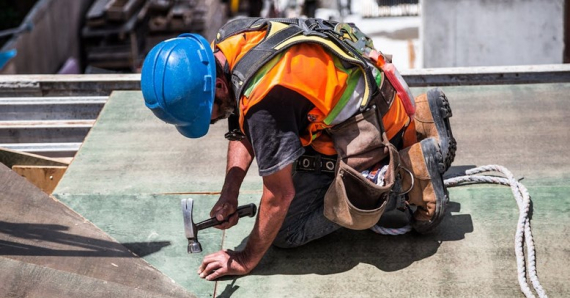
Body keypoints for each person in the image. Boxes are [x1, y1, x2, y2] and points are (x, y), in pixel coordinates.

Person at [141, 17, 456, 281]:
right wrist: (230, 193)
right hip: (373, 95)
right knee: (284, 159)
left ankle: (406, 173)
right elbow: (241, 122)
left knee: (287, 232)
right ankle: (422, 120)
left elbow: (279, 195)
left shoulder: (266, 103)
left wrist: (244, 258)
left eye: (204, 115)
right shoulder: (231, 40)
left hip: (373, 129)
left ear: (218, 87)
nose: (209, 122)